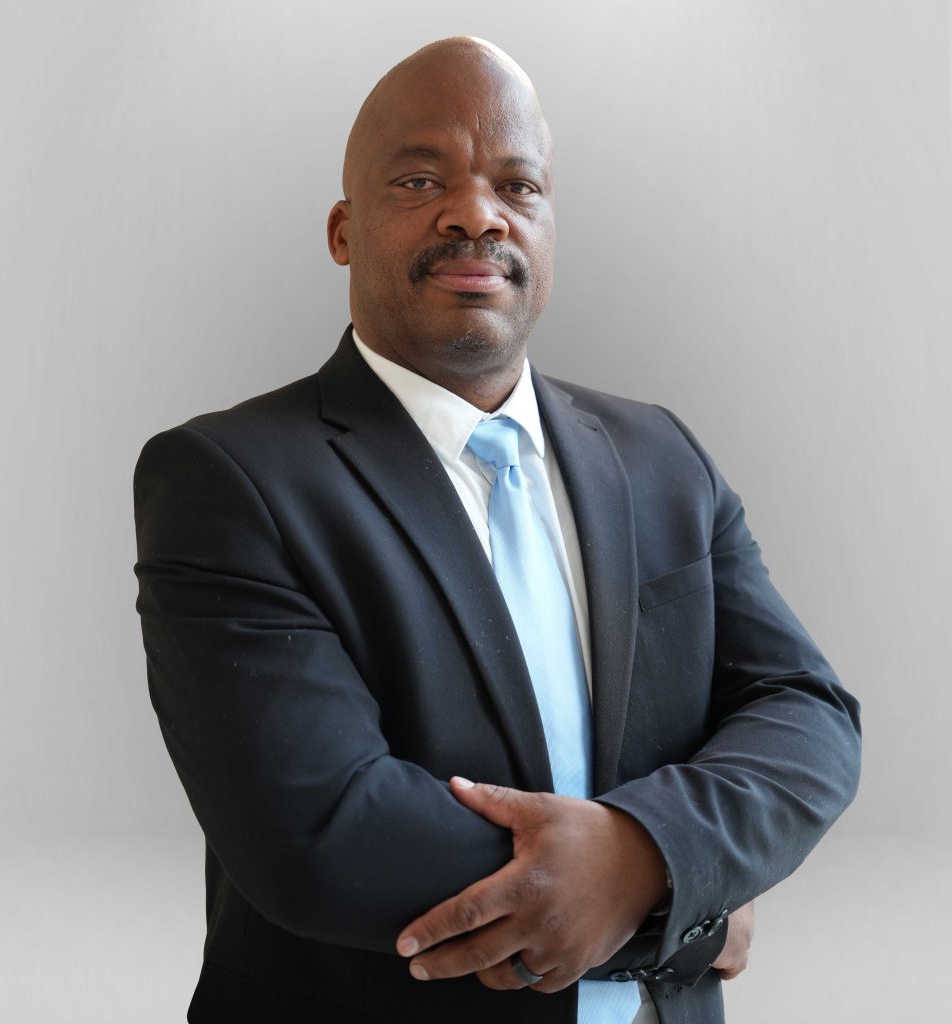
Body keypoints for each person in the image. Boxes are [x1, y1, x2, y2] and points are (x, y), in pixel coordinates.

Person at [133, 36, 861, 1024]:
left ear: (549, 227)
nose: (476, 214)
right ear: (343, 230)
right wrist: (680, 906)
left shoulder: (661, 457)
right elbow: (321, 831)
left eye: (517, 186)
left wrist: (648, 856)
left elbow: (805, 714)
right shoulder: (229, 481)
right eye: (420, 179)